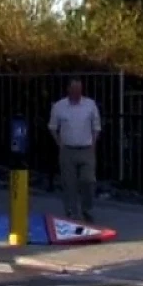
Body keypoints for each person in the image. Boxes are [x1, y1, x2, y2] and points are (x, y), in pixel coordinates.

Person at [48, 77, 101, 222]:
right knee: (68, 182)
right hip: (68, 149)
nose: (78, 92)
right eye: (75, 89)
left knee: (88, 180)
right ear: (69, 90)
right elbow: (52, 127)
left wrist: (93, 144)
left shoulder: (90, 105)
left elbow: (96, 126)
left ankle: (86, 209)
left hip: (86, 148)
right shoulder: (59, 106)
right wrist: (60, 143)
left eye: (80, 89)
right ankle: (72, 210)